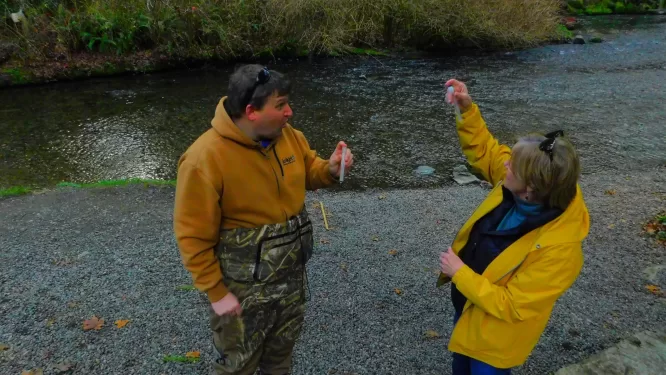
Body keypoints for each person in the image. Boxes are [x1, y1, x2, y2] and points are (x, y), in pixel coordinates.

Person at [173, 64, 354, 375]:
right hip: (242, 296)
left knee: (279, 363)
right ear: (251, 111)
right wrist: (216, 293)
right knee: (237, 368)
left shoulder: (289, 137)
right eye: (280, 105)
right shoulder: (203, 159)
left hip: (290, 284)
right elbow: (192, 236)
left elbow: (309, 170)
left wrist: (330, 168)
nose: (289, 113)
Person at [437, 79, 589, 375]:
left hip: (497, 341)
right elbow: (487, 151)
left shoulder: (561, 251)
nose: (504, 165)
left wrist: (461, 274)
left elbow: (513, 305)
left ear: (531, 188)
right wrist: (466, 111)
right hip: (470, 306)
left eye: (512, 165)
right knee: (460, 366)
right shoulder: (519, 184)